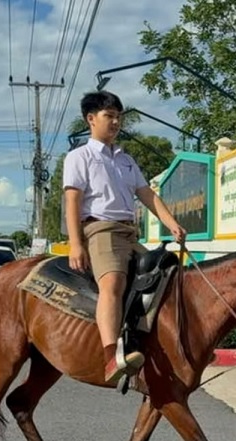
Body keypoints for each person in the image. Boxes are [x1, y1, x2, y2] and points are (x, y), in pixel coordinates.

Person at [63, 90, 187, 383]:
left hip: (129, 232)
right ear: (91, 119)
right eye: (110, 116)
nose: (116, 122)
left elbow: (146, 194)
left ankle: (148, 344)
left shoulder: (126, 160)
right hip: (100, 229)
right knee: (114, 282)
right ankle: (110, 359)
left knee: (166, 276)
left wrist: (172, 223)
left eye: (119, 116)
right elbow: (72, 202)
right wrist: (76, 244)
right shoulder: (79, 157)